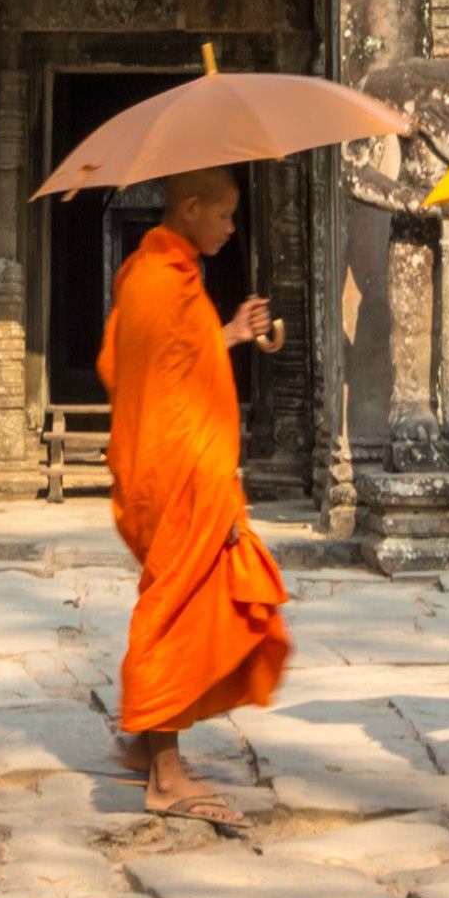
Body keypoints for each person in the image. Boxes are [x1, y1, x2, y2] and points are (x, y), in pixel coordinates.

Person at [100, 163, 291, 822]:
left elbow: (155, 360)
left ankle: (147, 739)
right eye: (226, 214)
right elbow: (172, 400)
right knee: (174, 615)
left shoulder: (160, 275)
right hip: (179, 476)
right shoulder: (160, 281)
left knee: (190, 606)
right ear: (189, 207)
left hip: (175, 470)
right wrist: (219, 494)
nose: (233, 227)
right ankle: (164, 772)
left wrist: (230, 333)